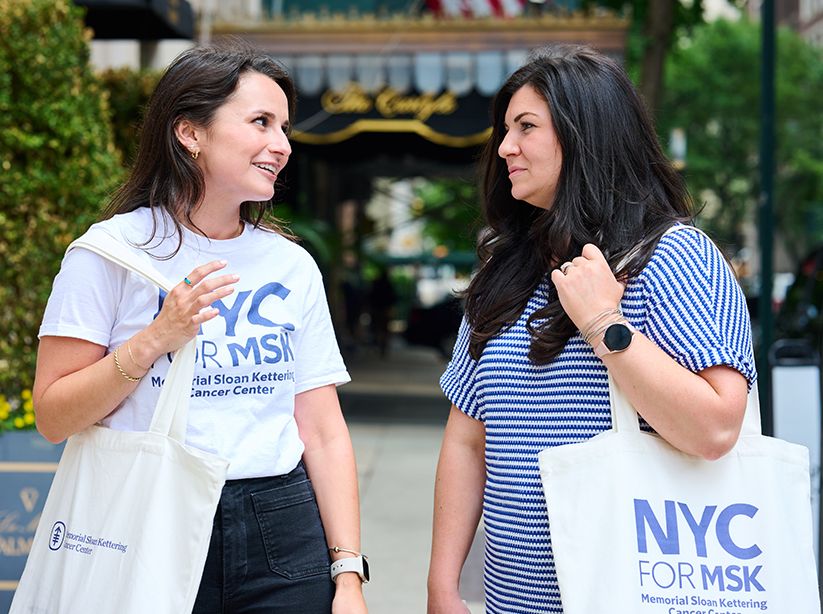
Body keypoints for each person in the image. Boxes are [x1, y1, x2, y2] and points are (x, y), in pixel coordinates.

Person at [33, 45, 368, 613]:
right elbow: (52, 414)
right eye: (261, 122)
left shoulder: (290, 265)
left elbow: (323, 430)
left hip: (281, 522)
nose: (282, 146)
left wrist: (348, 575)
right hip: (148, 515)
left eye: (284, 128)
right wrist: (152, 341)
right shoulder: (110, 254)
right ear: (190, 132)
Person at [427, 44, 755, 614]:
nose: (505, 148)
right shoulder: (505, 267)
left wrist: (605, 322)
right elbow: (469, 437)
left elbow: (717, 430)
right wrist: (443, 585)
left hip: (636, 593)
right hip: (512, 602)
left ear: (585, 135)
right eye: (505, 129)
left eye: (526, 127)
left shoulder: (674, 255)